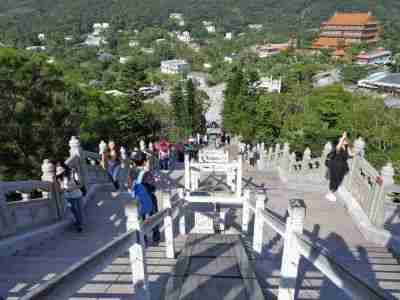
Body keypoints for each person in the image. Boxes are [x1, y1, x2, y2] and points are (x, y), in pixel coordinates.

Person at [128, 151, 161, 243]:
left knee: (140, 218)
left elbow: (129, 185)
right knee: (153, 216)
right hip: (149, 196)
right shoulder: (146, 172)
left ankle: (143, 238)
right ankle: (156, 234)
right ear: (144, 161)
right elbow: (153, 185)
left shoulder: (131, 171)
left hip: (138, 198)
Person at [326, 132, 354, 202]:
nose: (346, 140)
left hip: (342, 166)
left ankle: (331, 193)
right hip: (336, 165)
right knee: (335, 179)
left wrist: (348, 145)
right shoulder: (338, 147)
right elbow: (338, 148)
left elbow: (351, 154)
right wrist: (343, 138)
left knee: (339, 180)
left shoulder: (346, 147)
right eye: (344, 140)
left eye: (346, 140)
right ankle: (330, 193)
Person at [56, 163, 84, 232]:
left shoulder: (73, 173)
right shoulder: (60, 178)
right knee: (74, 211)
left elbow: (81, 185)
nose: (62, 173)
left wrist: (72, 188)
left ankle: (80, 225)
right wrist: (62, 189)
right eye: (60, 172)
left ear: (65, 169)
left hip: (78, 195)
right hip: (68, 197)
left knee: (79, 211)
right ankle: (78, 222)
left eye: (62, 171)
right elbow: (62, 188)